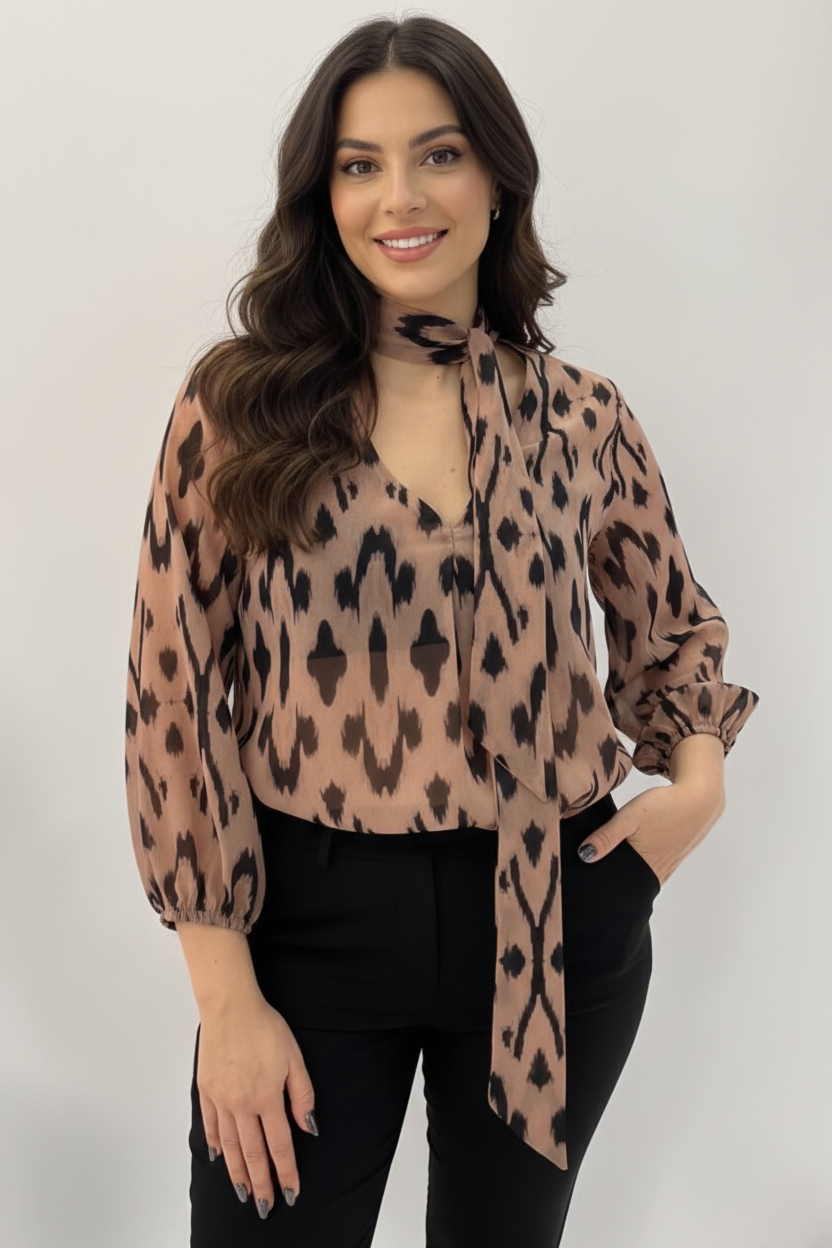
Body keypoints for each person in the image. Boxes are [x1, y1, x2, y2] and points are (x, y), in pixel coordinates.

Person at [124, 14, 759, 1247]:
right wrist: (226, 1002)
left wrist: (693, 794)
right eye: (359, 164)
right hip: (308, 923)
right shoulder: (239, 405)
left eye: (439, 154)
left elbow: (671, 631)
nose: (399, 197)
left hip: (554, 920)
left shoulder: (580, 416)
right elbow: (172, 698)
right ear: (322, 195)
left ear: (498, 178)